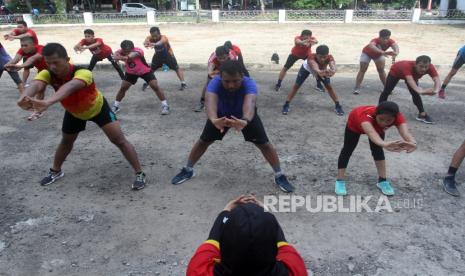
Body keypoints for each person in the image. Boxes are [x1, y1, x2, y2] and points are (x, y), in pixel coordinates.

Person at [16, 43, 147, 190]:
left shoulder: (83, 72)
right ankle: (56, 171)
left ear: (67, 59)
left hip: (98, 109)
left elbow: (71, 86)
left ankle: (140, 173)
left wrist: (48, 101)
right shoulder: (47, 73)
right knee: (66, 142)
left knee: (119, 140)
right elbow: (37, 84)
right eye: (48, 63)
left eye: (56, 62)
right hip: (74, 112)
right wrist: (24, 97)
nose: (52, 66)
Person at [172, 60, 295, 193]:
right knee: (203, 141)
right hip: (220, 116)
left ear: (242, 76)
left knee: (264, 144)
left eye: (235, 81)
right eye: (227, 81)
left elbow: (250, 103)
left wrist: (245, 120)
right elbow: (209, 101)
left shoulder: (249, 83)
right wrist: (214, 119)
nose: (231, 85)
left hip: (243, 117)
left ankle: (279, 175)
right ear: (221, 77)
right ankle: (188, 169)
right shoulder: (215, 82)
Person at [187, 195, 308, 276]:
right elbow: (281, 241)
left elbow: (212, 240)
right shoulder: (295, 269)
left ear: (224, 243)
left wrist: (226, 210)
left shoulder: (197, 270)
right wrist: (266, 214)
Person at [335, 102, 417, 196]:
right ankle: (340, 181)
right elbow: (371, 133)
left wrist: (413, 143)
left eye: (388, 121)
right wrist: (385, 144)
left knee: (377, 151)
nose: (384, 123)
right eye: (381, 119)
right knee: (347, 150)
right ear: (376, 114)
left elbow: (405, 133)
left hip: (375, 127)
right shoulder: (366, 116)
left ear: (395, 118)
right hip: (355, 123)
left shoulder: (398, 116)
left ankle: (382, 181)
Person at [281, 45, 344, 116]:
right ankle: (286, 104)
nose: (322, 59)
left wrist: (333, 71)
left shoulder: (330, 57)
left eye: (325, 57)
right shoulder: (311, 57)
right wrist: (319, 72)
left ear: (327, 55)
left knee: (329, 87)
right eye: (320, 57)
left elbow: (333, 66)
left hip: (320, 70)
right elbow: (315, 67)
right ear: (316, 55)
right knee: (296, 86)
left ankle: (338, 105)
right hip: (307, 68)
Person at [112, 40, 170, 115]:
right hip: (131, 73)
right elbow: (116, 54)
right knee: (123, 88)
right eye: (125, 51)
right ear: (122, 49)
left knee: (154, 86)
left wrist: (121, 57)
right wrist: (116, 56)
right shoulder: (120, 51)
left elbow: (131, 56)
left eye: (129, 51)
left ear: (133, 48)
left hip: (145, 71)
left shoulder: (138, 51)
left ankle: (165, 105)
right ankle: (116, 106)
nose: (127, 52)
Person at [378, 55, 440, 124]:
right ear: (415, 64)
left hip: (412, 75)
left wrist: (435, 91)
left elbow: (437, 80)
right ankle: (378, 111)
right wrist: (422, 91)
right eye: (421, 66)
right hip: (396, 71)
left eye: (426, 67)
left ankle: (422, 114)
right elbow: (410, 80)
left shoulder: (430, 67)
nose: (423, 69)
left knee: (415, 94)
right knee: (387, 91)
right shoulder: (406, 66)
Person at [5, 36, 48, 120]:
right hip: (44, 72)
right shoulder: (22, 50)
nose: (23, 48)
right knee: (40, 90)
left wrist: (21, 66)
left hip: (56, 70)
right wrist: (8, 65)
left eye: (26, 45)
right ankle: (37, 111)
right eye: (22, 45)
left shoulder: (41, 48)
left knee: (65, 90)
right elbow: (16, 59)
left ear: (33, 45)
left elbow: (33, 58)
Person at [353, 29, 399, 95]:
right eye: (384, 38)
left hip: (379, 55)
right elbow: (371, 46)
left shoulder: (391, 41)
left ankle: (387, 88)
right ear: (380, 37)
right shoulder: (375, 40)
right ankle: (357, 87)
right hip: (367, 53)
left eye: (387, 38)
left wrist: (396, 53)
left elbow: (396, 47)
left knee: (381, 70)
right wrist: (383, 52)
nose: (386, 40)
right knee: (363, 70)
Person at [194, 46, 238, 112]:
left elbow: (234, 70)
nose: (222, 60)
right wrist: (216, 74)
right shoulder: (212, 59)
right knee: (209, 82)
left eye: (224, 58)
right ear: (216, 57)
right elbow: (210, 73)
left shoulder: (232, 57)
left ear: (228, 55)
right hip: (216, 68)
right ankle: (202, 101)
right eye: (220, 58)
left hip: (229, 65)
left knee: (231, 80)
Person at [142, 26, 187, 91]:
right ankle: (147, 83)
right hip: (157, 56)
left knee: (176, 68)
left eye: (155, 35)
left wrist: (152, 44)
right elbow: (145, 42)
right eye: (152, 35)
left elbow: (159, 43)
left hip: (168, 55)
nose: (154, 37)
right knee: (151, 70)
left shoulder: (164, 37)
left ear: (159, 33)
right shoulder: (150, 37)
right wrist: (146, 44)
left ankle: (183, 83)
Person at [4, 20, 39, 85]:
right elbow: (13, 33)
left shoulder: (31, 32)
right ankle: (23, 83)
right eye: (18, 27)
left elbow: (23, 36)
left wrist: (13, 37)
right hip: (25, 50)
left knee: (37, 67)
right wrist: (9, 35)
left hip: (34, 51)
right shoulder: (18, 30)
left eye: (21, 27)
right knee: (23, 66)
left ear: (26, 27)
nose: (18, 28)